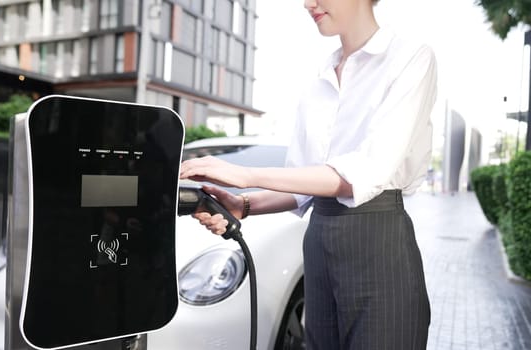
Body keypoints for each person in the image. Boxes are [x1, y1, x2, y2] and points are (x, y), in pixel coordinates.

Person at [179, 0, 437, 348]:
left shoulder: (409, 58)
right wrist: (244, 205)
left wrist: (246, 174)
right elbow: (304, 184)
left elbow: (361, 175)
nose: (307, 3)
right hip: (318, 243)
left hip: (379, 240)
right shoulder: (320, 81)